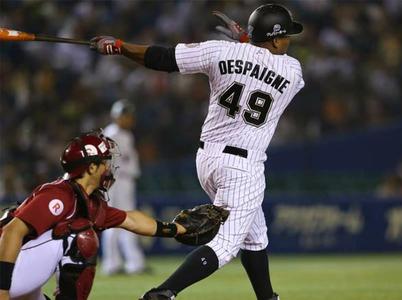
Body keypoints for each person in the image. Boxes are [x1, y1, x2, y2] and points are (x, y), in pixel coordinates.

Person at [90, 3, 305, 300]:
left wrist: (120, 47)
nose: (289, 41)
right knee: (227, 244)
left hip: (207, 161)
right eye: (286, 36)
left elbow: (162, 58)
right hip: (242, 166)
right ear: (276, 38)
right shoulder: (293, 70)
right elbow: (262, 63)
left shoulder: (220, 52)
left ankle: (268, 298)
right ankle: (162, 293)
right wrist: (247, 42)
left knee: (255, 237)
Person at [0, 130, 187, 300]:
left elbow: (131, 220)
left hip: (22, 279)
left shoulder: (90, 202)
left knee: (77, 232)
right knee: (80, 236)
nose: (109, 167)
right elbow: (11, 232)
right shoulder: (58, 195)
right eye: (105, 162)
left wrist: (178, 229)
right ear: (91, 168)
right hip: (5, 276)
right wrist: (3, 291)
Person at [101, 99, 146, 275]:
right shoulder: (112, 133)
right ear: (117, 116)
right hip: (116, 182)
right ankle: (116, 264)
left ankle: (129, 262)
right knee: (117, 221)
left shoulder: (126, 135)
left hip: (126, 181)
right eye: (126, 115)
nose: (129, 119)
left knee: (123, 221)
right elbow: (106, 162)